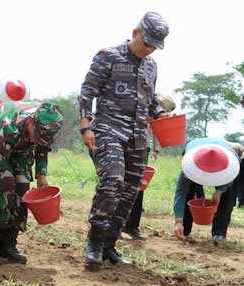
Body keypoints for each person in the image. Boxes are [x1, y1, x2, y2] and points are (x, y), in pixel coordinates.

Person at [78, 12, 170, 269]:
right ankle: (94, 242)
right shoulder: (108, 56)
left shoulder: (152, 66)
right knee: (112, 181)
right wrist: (86, 127)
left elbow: (150, 100)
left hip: (138, 137)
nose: (149, 48)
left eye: (154, 45)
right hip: (108, 129)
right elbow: (87, 93)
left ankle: (109, 246)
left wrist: (161, 114)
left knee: (129, 191)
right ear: (135, 32)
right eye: (147, 42)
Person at [0, 100, 63, 264]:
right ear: (31, 122)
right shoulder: (8, 125)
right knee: (4, 186)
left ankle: (9, 244)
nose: (38, 141)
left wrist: (41, 174)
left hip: (23, 149)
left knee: (22, 191)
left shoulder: (46, 124)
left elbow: (42, 147)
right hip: (1, 147)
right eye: (37, 136)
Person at [123, 93, 176, 240]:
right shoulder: (135, 101)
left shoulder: (154, 111)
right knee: (116, 183)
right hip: (121, 141)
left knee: (138, 186)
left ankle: (131, 225)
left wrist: (156, 150)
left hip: (141, 147)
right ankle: (109, 224)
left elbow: (157, 131)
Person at [172, 138, 241, 243]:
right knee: (189, 191)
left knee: (227, 195)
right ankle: (183, 229)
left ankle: (219, 233)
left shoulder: (232, 162)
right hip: (195, 151)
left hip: (222, 158)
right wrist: (178, 221)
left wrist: (219, 191)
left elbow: (230, 178)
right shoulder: (189, 167)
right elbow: (181, 194)